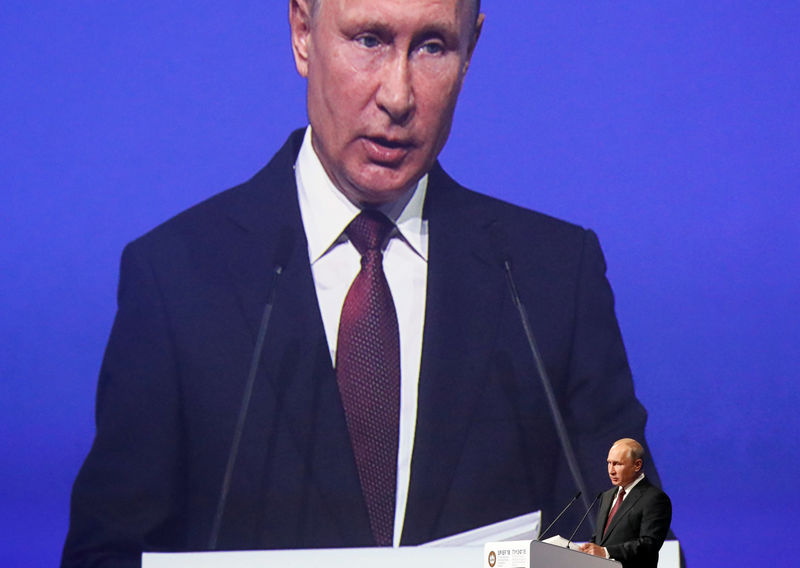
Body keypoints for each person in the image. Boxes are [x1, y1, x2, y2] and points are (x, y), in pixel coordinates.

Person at [62, 1, 662, 566]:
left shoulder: (551, 279)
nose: (398, 96)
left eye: (432, 47)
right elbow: (108, 552)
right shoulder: (177, 277)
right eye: (370, 39)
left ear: (471, 49)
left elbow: (631, 536)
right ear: (303, 30)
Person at [579, 439, 671, 568]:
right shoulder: (607, 496)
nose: (611, 470)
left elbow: (649, 545)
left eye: (617, 464)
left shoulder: (655, 499)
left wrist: (606, 552)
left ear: (637, 465)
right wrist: (587, 549)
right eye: (609, 463)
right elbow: (600, 538)